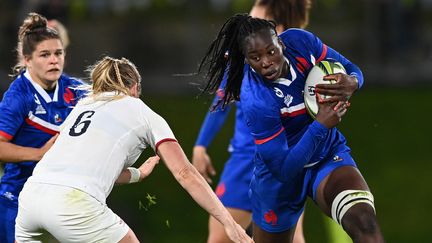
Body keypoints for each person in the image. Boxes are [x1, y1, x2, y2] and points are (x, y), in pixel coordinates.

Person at [14, 56, 253, 243]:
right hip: (74, 205)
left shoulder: (81, 107)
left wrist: (138, 174)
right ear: (135, 87)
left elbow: (80, 167)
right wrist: (229, 223)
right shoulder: (140, 110)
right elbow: (184, 173)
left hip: (31, 198)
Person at [197, 14, 384, 243]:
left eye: (271, 51)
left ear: (281, 43)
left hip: (326, 156)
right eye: (255, 57)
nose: (266, 62)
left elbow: (351, 68)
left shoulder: (300, 42)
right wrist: (320, 125)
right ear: (246, 59)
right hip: (279, 181)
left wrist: (352, 82)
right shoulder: (255, 98)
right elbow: (283, 170)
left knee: (366, 224)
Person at [192, 1, 310, 242]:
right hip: (270, 162)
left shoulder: (294, 64)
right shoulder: (247, 59)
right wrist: (201, 144)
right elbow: (222, 101)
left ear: (276, 27)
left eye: (255, 20)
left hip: (258, 162)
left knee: (221, 237)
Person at [0, 12, 85, 243]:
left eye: (58, 53)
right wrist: (38, 154)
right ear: (27, 60)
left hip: (63, 195)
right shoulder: (18, 96)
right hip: (18, 195)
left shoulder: (75, 89)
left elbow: (106, 100)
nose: (54, 60)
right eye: (45, 55)